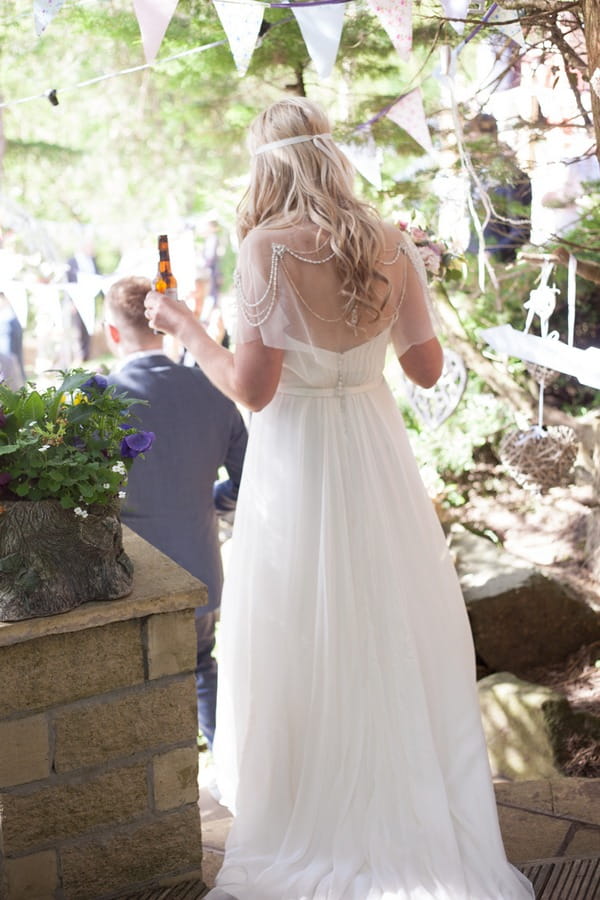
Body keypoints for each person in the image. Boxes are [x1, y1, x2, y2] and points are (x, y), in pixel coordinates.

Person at [144, 98, 534, 900]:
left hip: (300, 466)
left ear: (268, 166)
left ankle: (318, 813)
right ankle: (410, 805)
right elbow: (425, 371)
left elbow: (253, 391)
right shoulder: (390, 240)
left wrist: (184, 325)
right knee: (390, 624)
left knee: (306, 627)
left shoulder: (266, 249)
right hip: (377, 456)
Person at [104, 276, 248, 751]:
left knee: (136, 686)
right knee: (202, 665)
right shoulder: (212, 388)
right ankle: (228, 771)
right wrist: (209, 501)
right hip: (200, 564)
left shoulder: (96, 402)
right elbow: (249, 479)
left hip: (128, 578)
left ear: (112, 332)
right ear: (162, 328)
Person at [466, 113, 532, 263]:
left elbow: (520, 230)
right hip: (474, 261)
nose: (469, 146)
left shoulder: (512, 176)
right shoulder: (477, 175)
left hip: (501, 265)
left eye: (472, 139)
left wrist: (491, 254)